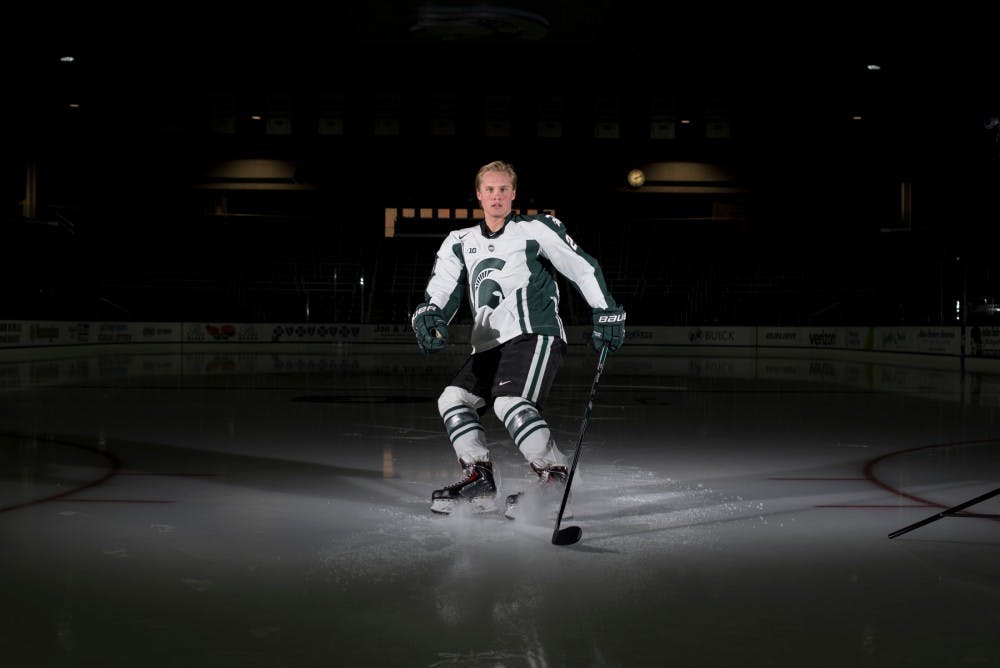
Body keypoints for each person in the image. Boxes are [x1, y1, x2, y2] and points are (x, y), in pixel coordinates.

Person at [411, 160, 626, 517]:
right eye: (489, 189)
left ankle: (554, 477)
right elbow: (443, 291)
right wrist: (430, 315)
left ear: (514, 194)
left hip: (534, 333)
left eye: (503, 189)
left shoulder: (536, 229)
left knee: (509, 401)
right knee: (453, 399)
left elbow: (581, 266)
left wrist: (605, 310)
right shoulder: (459, 241)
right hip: (488, 343)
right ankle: (479, 479)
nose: (496, 196)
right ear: (479, 194)